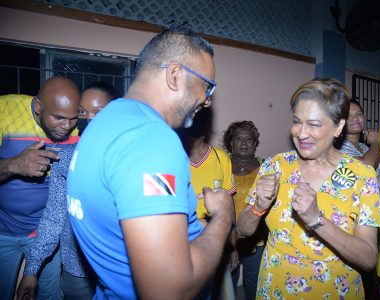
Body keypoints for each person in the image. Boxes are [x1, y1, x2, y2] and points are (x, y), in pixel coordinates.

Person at [67, 27, 234, 299]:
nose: (207, 100)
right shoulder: (151, 140)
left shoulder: (107, 121)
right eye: (207, 86)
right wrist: (223, 218)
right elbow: (168, 291)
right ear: (175, 75)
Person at [237, 78, 380, 299]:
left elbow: (368, 258)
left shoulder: (362, 176)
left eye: (314, 124)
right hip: (275, 288)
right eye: (297, 122)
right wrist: (259, 207)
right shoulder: (275, 165)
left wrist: (317, 220)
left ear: (338, 127)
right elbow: (242, 231)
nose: (301, 133)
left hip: (334, 290)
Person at [16, 82, 117, 300]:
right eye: (82, 111)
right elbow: (53, 218)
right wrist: (31, 270)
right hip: (76, 276)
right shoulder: (67, 159)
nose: (89, 119)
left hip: (115, 274)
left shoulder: (126, 162)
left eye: (99, 113)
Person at [0, 76, 80, 300]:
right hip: (2, 230)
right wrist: (14, 164)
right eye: (59, 118)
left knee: (50, 296)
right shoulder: (5, 110)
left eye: (73, 118)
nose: (67, 127)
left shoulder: (73, 132)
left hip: (45, 231)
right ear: (38, 106)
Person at [178, 107, 238, 299]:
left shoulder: (221, 158)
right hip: (180, 240)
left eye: (201, 122)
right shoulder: (174, 158)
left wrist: (233, 244)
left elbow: (229, 203)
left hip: (215, 237)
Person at [338, 99, 380, 298]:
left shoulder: (365, 149)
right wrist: (376, 142)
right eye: (348, 115)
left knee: (372, 273)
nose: (355, 119)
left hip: (372, 218)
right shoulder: (339, 149)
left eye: (358, 114)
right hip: (354, 222)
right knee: (360, 271)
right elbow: (367, 168)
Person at [223, 120, 266, 300]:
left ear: (255, 143)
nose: (243, 143)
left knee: (253, 281)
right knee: (228, 283)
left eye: (249, 139)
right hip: (227, 235)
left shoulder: (265, 166)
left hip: (256, 236)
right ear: (231, 143)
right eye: (238, 138)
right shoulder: (222, 166)